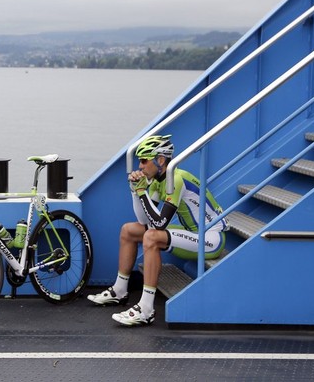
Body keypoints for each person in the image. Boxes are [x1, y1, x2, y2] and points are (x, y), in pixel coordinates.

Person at [87, 134, 227, 326]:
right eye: (139, 161)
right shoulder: (158, 181)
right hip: (193, 232)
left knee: (152, 237)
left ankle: (146, 309)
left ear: (160, 160)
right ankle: (119, 290)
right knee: (129, 230)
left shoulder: (175, 179)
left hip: (211, 239)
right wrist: (135, 190)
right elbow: (144, 219)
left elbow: (159, 224)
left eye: (144, 161)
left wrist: (143, 192)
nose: (140, 166)